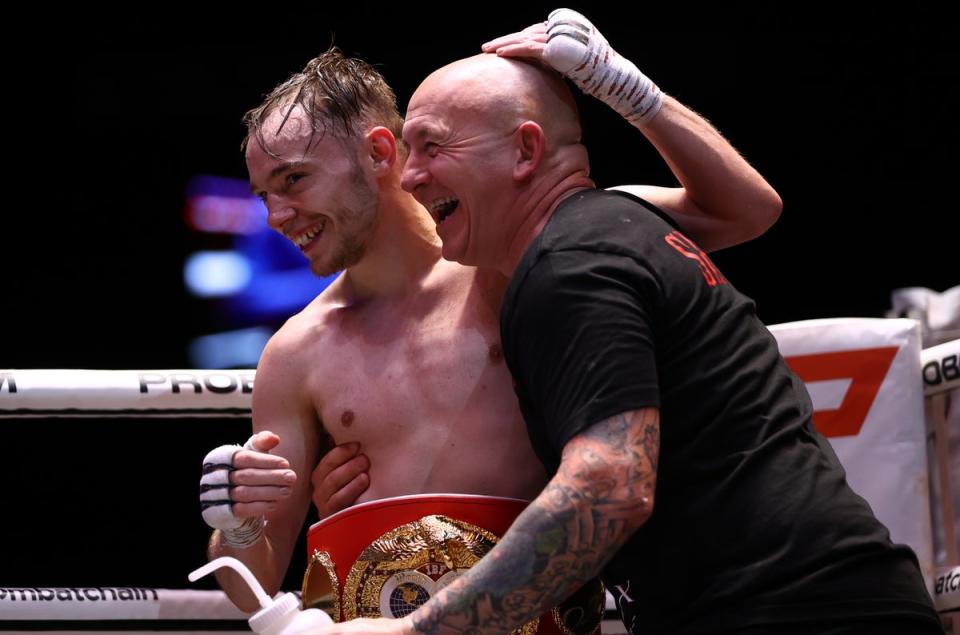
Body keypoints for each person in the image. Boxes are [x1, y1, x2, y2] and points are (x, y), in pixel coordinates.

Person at [316, 10, 942, 635]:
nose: (410, 175)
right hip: (808, 600)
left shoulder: (570, 265)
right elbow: (753, 207)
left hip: (786, 612)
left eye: (432, 145)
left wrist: (418, 629)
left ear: (526, 151)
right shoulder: (612, 222)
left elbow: (609, 488)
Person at [198, 9, 782, 617]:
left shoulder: (527, 248)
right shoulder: (297, 353)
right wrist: (237, 525)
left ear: (378, 153)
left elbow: (747, 212)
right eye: (265, 195)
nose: (276, 216)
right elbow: (253, 585)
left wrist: (622, 87)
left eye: (294, 180)